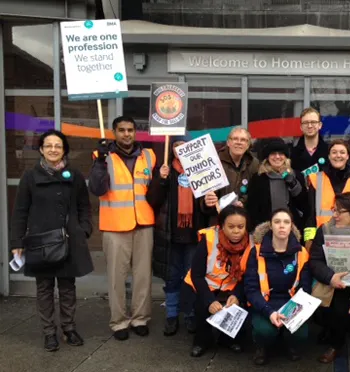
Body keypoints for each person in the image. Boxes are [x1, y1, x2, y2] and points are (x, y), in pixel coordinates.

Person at [10, 130, 94, 351]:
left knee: (67, 287)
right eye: (49, 146)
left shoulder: (73, 175)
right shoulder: (30, 177)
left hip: (68, 240)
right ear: (41, 149)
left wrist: (83, 229)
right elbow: (20, 211)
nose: (53, 150)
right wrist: (16, 242)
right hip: (40, 242)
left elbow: (85, 206)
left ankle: (68, 328)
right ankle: (49, 332)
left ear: (64, 149)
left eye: (58, 146)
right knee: (44, 288)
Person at [89, 116, 157, 340]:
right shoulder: (103, 156)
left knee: (142, 275)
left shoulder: (149, 156)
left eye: (130, 130)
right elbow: (97, 189)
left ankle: (140, 318)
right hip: (115, 224)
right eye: (121, 130)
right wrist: (99, 162)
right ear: (114, 132)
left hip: (144, 223)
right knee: (116, 277)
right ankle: (118, 322)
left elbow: (154, 190)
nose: (126, 134)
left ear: (135, 132)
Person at [146, 135, 205, 336]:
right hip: (169, 235)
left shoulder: (200, 169)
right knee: (171, 278)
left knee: (191, 278)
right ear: (171, 149)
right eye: (176, 145)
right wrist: (160, 180)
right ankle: (171, 315)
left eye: (184, 145)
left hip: (193, 236)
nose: (180, 149)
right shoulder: (164, 170)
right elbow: (152, 200)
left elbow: (207, 207)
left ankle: (189, 314)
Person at [309, 192, 350, 365]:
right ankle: (335, 344)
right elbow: (315, 260)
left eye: (339, 211)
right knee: (337, 310)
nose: (334, 215)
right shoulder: (324, 230)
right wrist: (330, 278)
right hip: (333, 282)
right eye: (334, 210)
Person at [244, 209, 312, 366]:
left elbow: (305, 287)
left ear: (291, 227)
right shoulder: (256, 252)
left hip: (292, 303)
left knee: (301, 334)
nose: (282, 226)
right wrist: (269, 312)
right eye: (277, 222)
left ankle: (290, 344)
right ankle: (262, 347)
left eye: (286, 222)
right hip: (265, 304)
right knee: (265, 332)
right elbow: (251, 289)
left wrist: (293, 311)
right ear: (270, 226)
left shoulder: (301, 252)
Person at [183, 205, 253, 357]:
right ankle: (201, 341)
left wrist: (237, 295)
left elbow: (248, 276)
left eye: (240, 227)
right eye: (231, 227)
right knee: (202, 306)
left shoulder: (252, 244)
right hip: (203, 285)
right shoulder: (208, 238)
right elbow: (197, 275)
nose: (236, 231)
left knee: (239, 306)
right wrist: (209, 301)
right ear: (222, 226)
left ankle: (229, 339)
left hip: (232, 287)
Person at [305, 139, 350, 245]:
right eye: (334, 152)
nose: (338, 155)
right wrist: (309, 241)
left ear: (348, 156)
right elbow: (310, 213)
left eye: (342, 152)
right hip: (322, 238)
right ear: (329, 156)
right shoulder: (316, 179)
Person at [246, 138, 308, 232]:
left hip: (291, 228)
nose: (277, 157)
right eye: (273, 154)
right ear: (267, 157)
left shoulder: (296, 175)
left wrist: (292, 183)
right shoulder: (258, 178)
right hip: (265, 229)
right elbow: (252, 208)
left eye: (281, 153)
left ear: (286, 156)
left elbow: (304, 203)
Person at [202, 127, 259, 225]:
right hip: (219, 221)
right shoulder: (214, 161)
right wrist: (206, 202)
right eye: (235, 139)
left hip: (243, 221)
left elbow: (256, 192)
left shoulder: (254, 164)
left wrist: (243, 202)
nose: (239, 142)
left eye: (243, 140)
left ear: (248, 144)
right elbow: (205, 193)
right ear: (228, 142)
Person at [290, 107, 329, 174]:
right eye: (305, 123)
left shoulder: (329, 151)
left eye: (313, 122)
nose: (309, 126)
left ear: (320, 125)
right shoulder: (292, 153)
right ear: (301, 127)